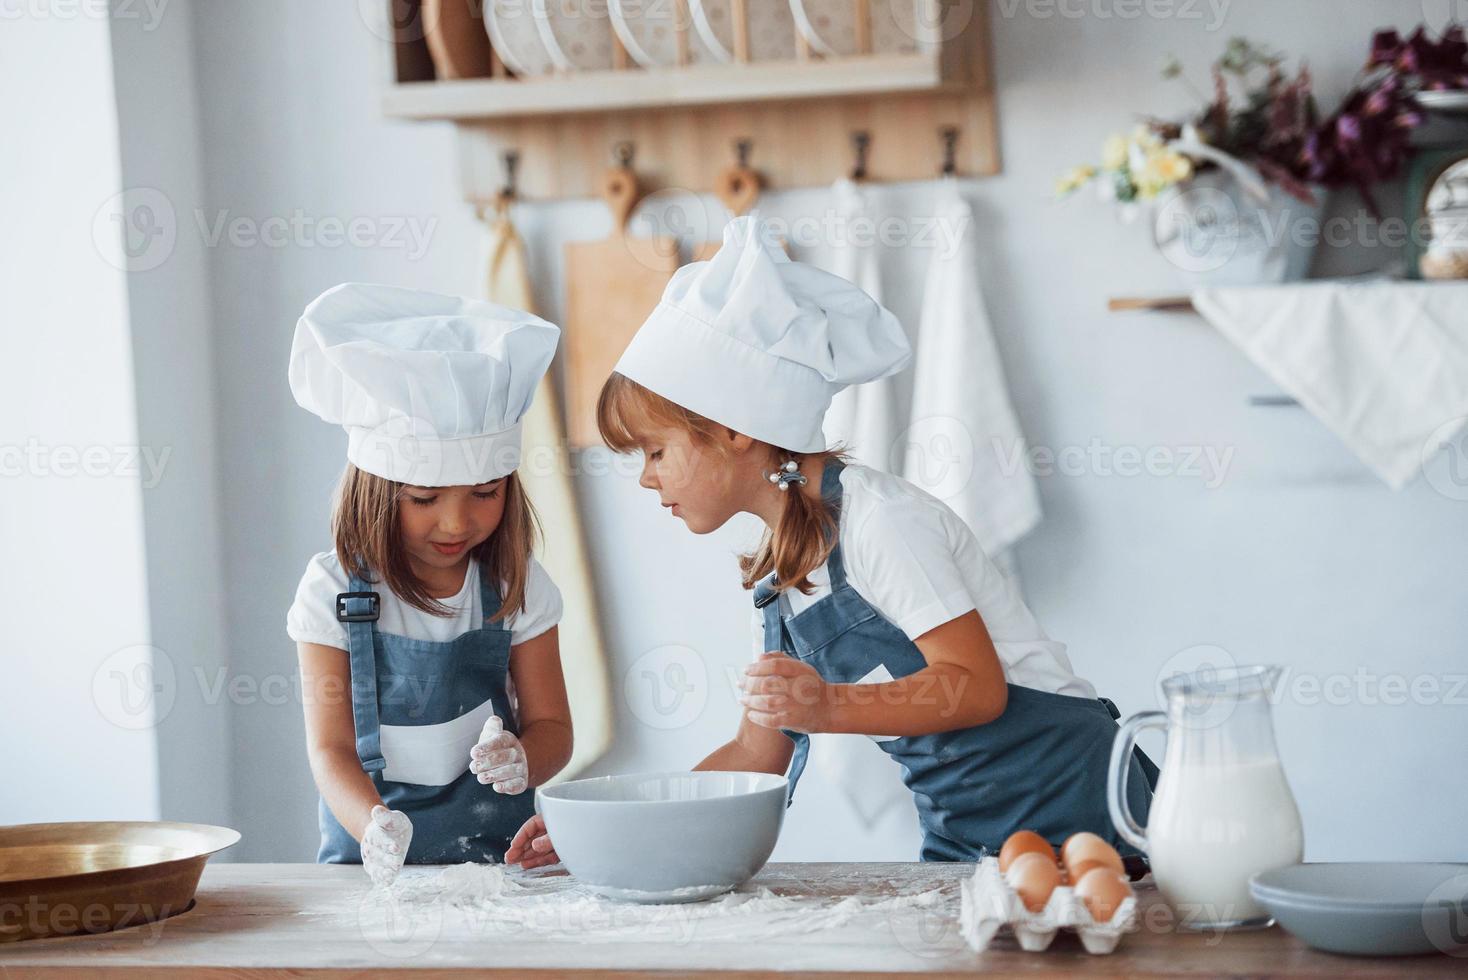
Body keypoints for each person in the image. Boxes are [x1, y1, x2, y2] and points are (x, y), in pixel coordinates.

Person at [507, 218, 1155, 870]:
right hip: (968, 837)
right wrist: (607, 828)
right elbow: (757, 753)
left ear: (734, 429)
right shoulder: (786, 572)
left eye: (655, 450)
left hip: (1081, 810)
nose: (646, 478)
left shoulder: (882, 522)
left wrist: (828, 704)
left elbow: (975, 687)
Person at [287, 282, 573, 885]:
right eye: (423, 498)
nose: (456, 522)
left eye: (484, 493)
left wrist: (524, 758)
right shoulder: (332, 591)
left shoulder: (518, 586)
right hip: (368, 873)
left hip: (501, 870)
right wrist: (373, 825)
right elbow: (330, 751)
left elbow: (554, 727)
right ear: (377, 491)